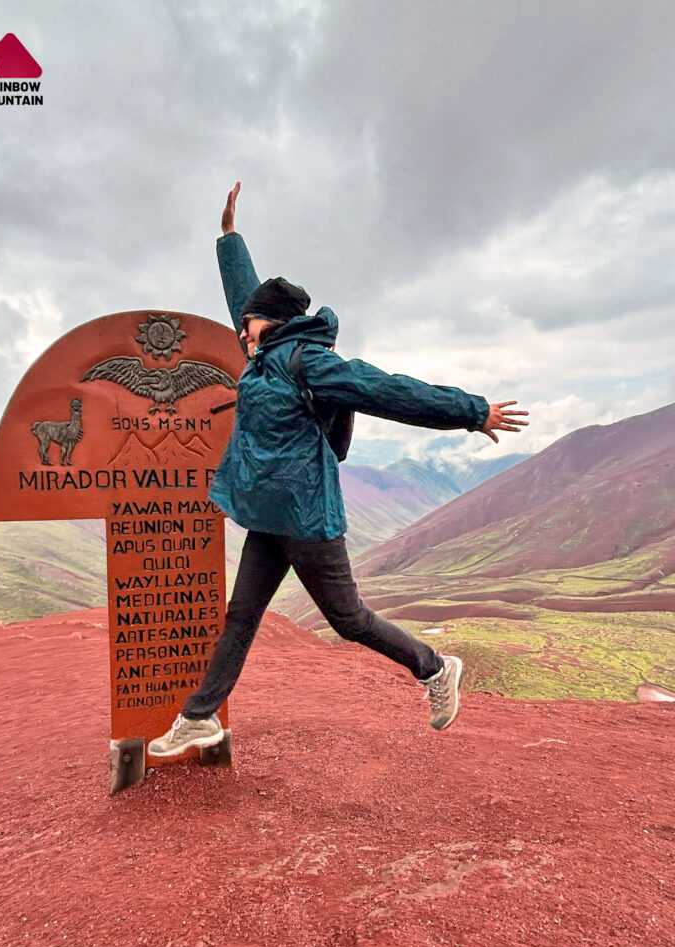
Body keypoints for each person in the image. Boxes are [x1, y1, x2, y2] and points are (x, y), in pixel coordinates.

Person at [148, 182, 528, 757]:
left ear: (266, 324)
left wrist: (471, 412)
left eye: (246, 324)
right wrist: (229, 237)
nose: (239, 331)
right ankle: (201, 717)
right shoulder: (267, 352)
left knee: (348, 619)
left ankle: (434, 668)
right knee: (241, 617)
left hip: (303, 515)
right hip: (270, 516)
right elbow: (245, 299)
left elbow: (388, 391)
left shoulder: (311, 363)